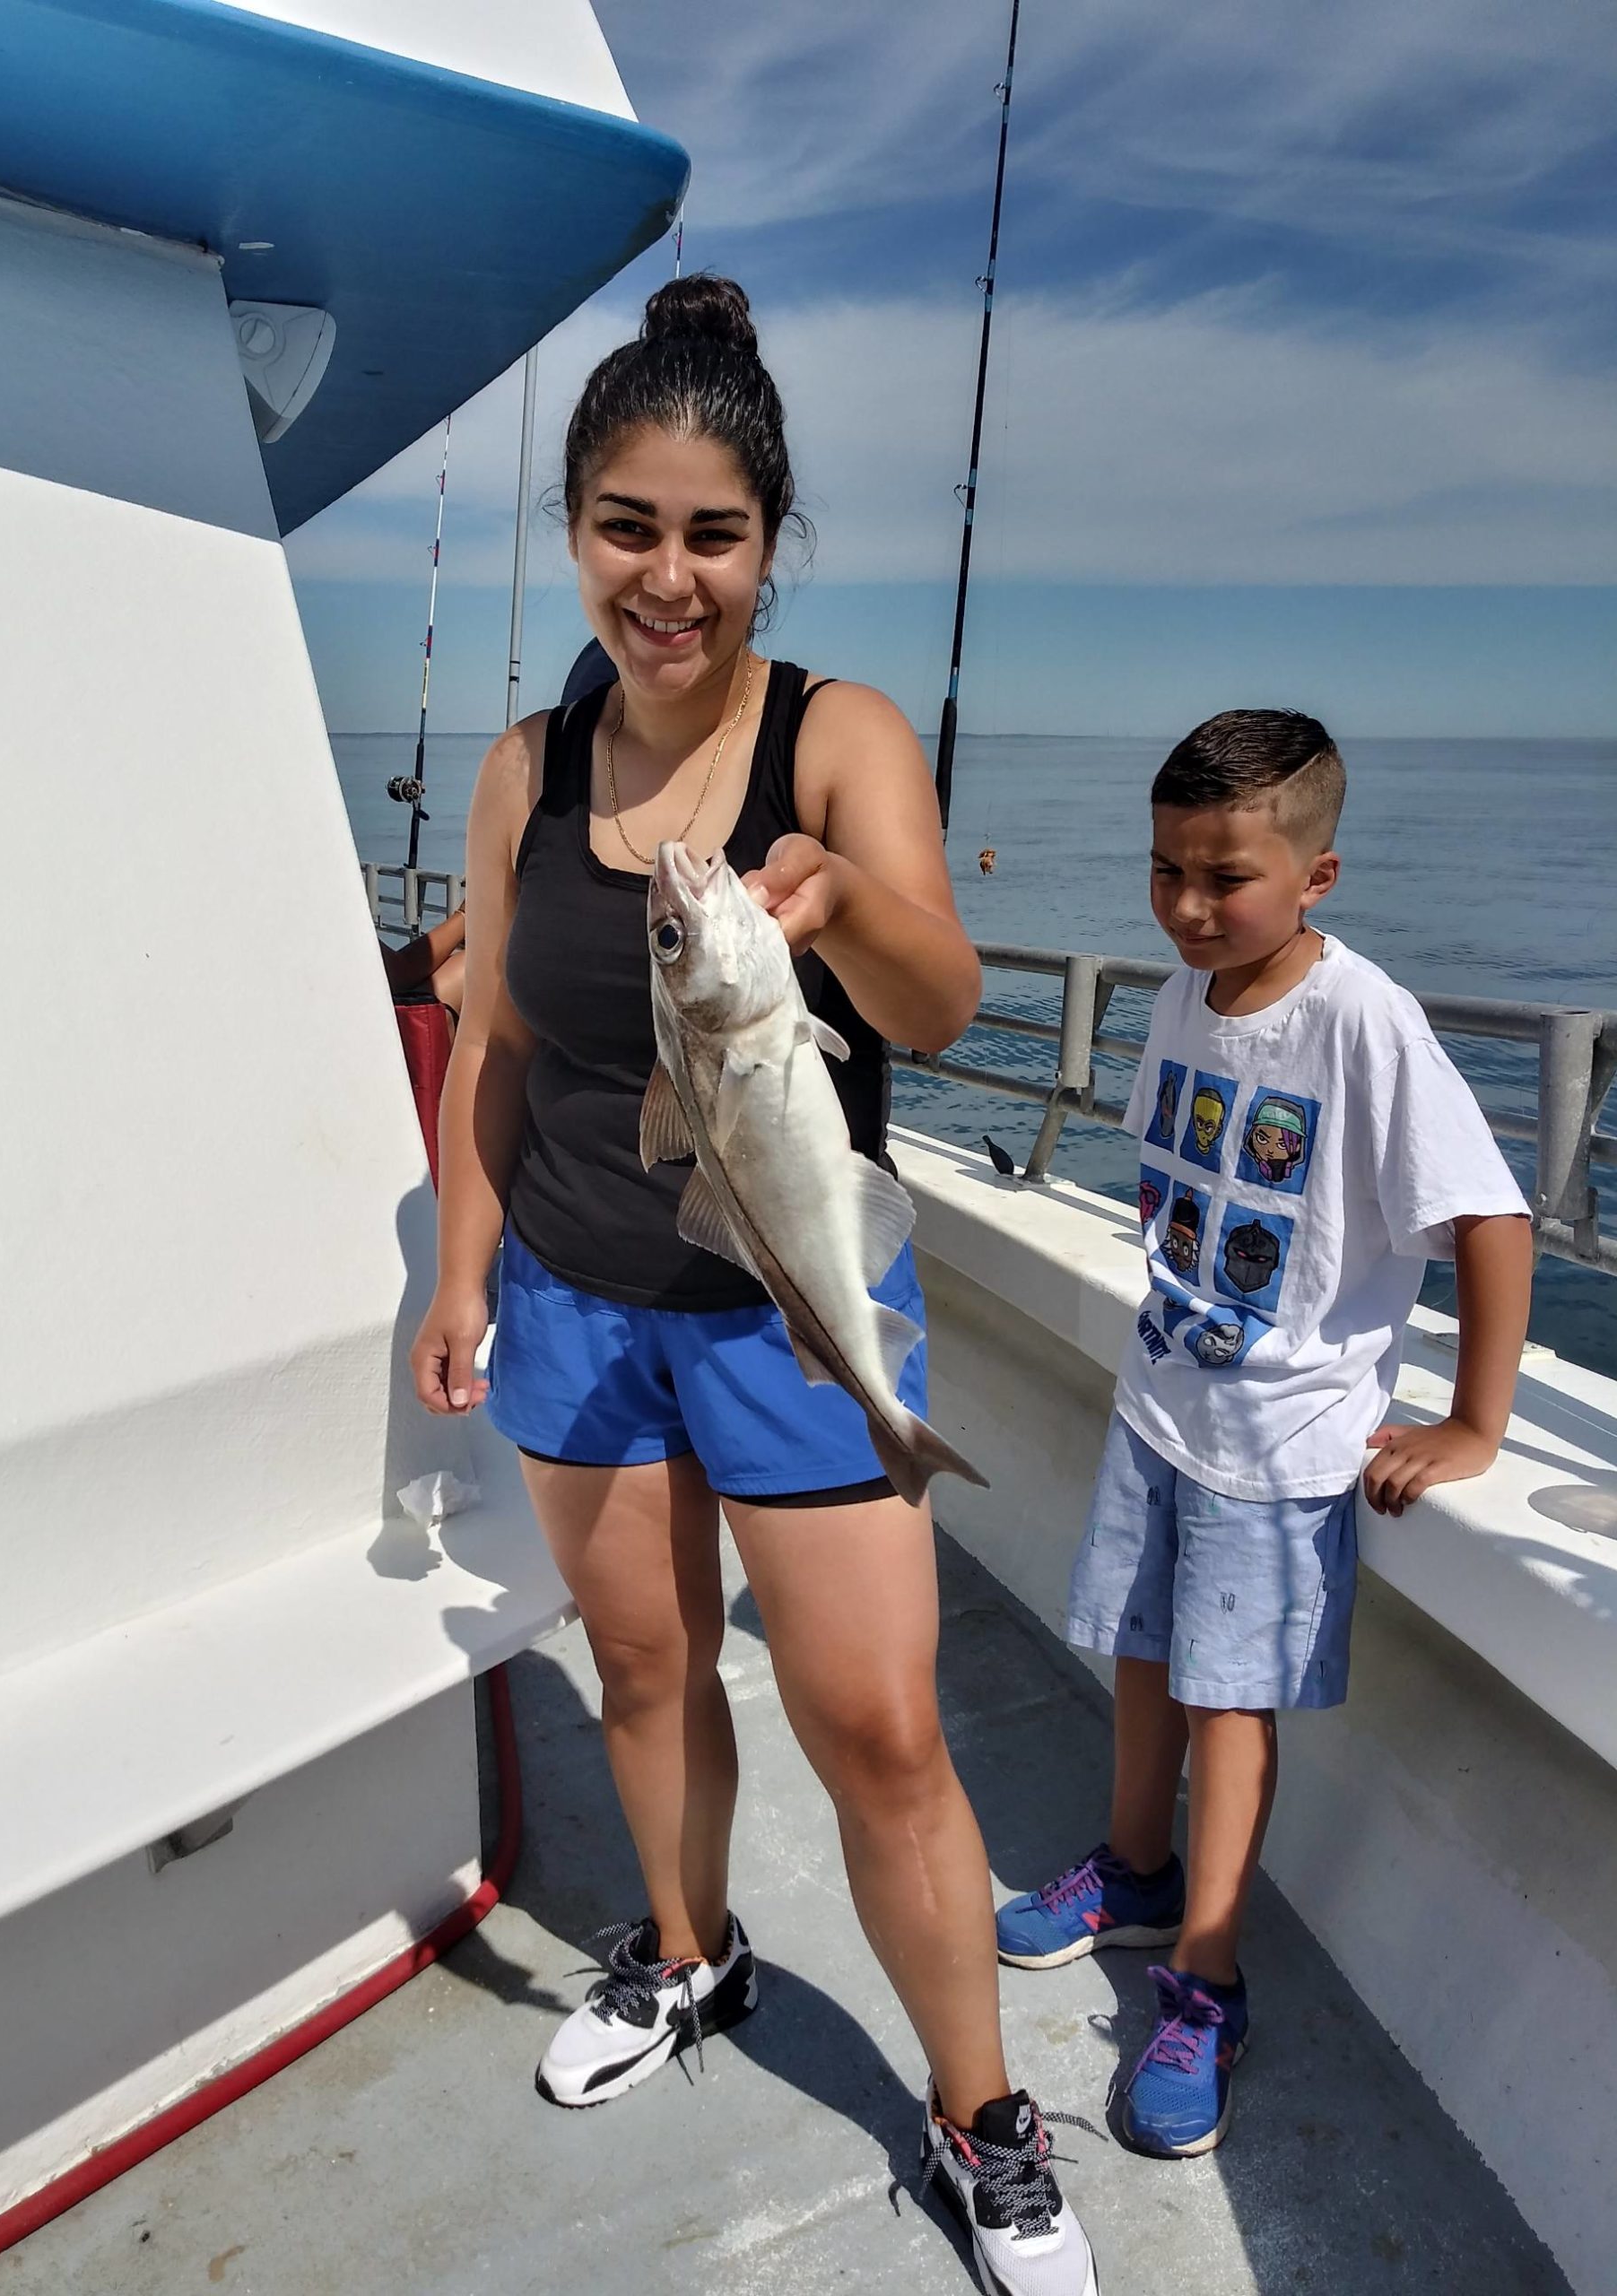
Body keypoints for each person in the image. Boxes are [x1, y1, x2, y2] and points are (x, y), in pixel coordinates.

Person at [410, 274, 1098, 2294]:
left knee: (880, 1728)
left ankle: (982, 2118)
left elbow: (947, 1006)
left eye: (713, 533)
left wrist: (847, 902)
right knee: (643, 1669)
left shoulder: (840, 733)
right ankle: (689, 1951)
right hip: (575, 1292)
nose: (669, 576)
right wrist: (459, 1269)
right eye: (629, 524)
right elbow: (501, 1049)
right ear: (577, 530)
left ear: (769, 541)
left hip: (790, 1303)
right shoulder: (529, 761)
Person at [995, 709, 1533, 2160]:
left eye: (1222, 876)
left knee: (1234, 1707)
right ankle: (1136, 1865)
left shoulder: (1362, 1019)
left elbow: (1489, 1214)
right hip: (1163, 1403)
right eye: (1165, 869)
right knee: (1145, 1653)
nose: (1184, 905)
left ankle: (1209, 1981)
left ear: (1318, 876)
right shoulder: (1188, 988)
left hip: (1283, 1446)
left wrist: (1478, 1420)